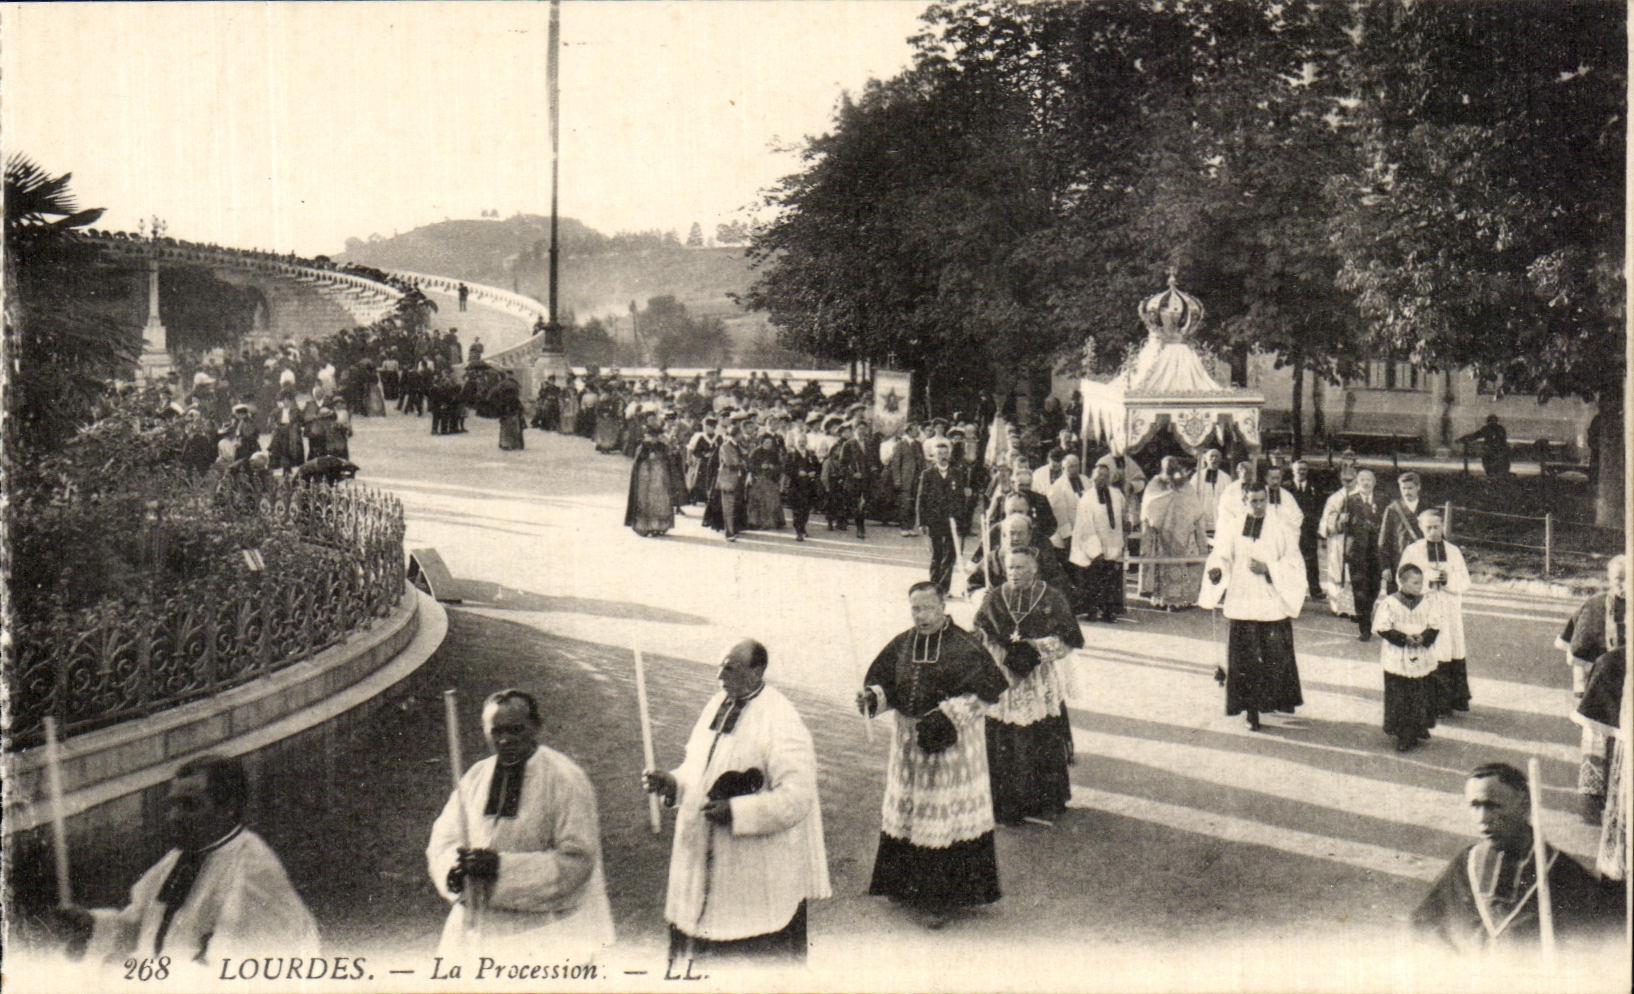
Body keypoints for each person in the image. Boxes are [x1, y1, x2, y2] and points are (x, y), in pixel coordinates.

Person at [642, 640, 831, 966]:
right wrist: (673, 783)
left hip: (752, 874)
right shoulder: (717, 703)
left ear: (757, 671)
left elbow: (798, 797)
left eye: (729, 668)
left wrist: (738, 812)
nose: (719, 676)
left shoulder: (781, 718)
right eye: (720, 666)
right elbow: (698, 768)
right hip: (698, 863)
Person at [46, 755, 318, 978]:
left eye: (189, 806)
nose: (174, 817)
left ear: (229, 808)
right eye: (172, 805)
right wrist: (92, 925)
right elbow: (141, 926)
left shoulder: (253, 872)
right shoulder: (178, 858)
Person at [857, 582, 1009, 927]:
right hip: (909, 746)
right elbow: (888, 686)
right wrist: (873, 698)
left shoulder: (965, 645)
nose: (920, 616)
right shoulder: (903, 643)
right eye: (915, 609)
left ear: (943, 605)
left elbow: (987, 693)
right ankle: (903, 886)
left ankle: (940, 899)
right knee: (911, 812)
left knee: (940, 818)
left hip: (949, 748)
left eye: (927, 608)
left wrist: (948, 715)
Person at [427, 689, 615, 961]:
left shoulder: (565, 779)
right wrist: (453, 870)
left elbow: (577, 862)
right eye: (496, 732)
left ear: (535, 727)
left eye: (516, 731)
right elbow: (444, 839)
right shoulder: (476, 776)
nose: (505, 740)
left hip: (546, 931)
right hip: (476, 925)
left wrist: (499, 868)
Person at [1412, 762, 1622, 954]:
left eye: (1493, 806)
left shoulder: (1563, 874)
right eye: (1475, 806)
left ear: (1524, 806)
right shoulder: (1466, 865)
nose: (1482, 818)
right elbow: (1424, 926)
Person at [973, 548, 1083, 826]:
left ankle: (1041, 799)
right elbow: (982, 630)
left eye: (1021, 568)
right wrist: (992, 643)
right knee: (1004, 736)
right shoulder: (996, 597)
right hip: (1005, 676)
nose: (1014, 573)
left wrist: (1035, 649)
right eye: (1010, 568)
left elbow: (1069, 638)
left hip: (1036, 676)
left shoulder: (1052, 597)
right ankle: (1006, 802)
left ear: (1034, 569)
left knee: (1038, 734)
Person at [1200, 483, 1306, 731]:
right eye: (1252, 501)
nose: (1257, 506)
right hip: (1243, 599)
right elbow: (1222, 555)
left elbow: (1293, 562)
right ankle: (1250, 711)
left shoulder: (1281, 528)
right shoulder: (1234, 527)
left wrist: (1269, 568)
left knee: (1273, 657)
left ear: (1267, 500)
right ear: (1244, 501)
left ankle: (1273, 702)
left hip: (1270, 601)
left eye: (1261, 501)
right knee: (1245, 659)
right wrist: (1216, 570)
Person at [1557, 556, 1627, 822]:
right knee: (1598, 745)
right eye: (1617, 579)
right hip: (1602, 691)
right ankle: (1593, 805)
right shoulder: (1597, 606)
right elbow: (1580, 656)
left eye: (1628, 579)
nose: (1622, 585)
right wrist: (1580, 694)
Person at [1399, 509, 1472, 717]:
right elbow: (1402, 578)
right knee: (1431, 650)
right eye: (1428, 528)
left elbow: (1465, 581)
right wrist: (1427, 580)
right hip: (1426, 607)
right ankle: (1428, 703)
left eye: (1436, 527)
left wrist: (1448, 580)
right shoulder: (1413, 551)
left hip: (1449, 608)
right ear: (1421, 528)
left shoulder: (1453, 551)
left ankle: (1449, 702)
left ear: (1443, 526)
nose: (1433, 532)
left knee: (1450, 650)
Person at [1372, 563, 1445, 752]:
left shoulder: (1427, 602)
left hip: (1420, 653)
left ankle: (1419, 727)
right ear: (1402, 582)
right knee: (1400, 695)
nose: (1419, 586)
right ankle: (1403, 734)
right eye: (1414, 583)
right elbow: (1383, 627)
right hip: (1399, 655)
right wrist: (1404, 638)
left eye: (1421, 582)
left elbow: (1435, 624)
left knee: (1420, 692)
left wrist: (1424, 637)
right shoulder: (1390, 602)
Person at [1138, 457, 1208, 610]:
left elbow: (1194, 505)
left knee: (1183, 567)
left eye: (1174, 465)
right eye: (1168, 466)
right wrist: (1169, 499)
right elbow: (1150, 502)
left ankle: (1182, 600)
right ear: (1163, 468)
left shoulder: (1185, 484)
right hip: (1161, 534)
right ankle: (1162, 599)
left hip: (1182, 532)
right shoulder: (1156, 482)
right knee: (1163, 567)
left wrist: (1181, 506)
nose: (1172, 468)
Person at [1068, 463, 1126, 621]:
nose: (1102, 478)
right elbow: (1085, 526)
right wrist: (1095, 550)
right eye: (1099, 475)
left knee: (1111, 579)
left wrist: (1120, 542)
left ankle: (1108, 612)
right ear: (1092, 477)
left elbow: (1122, 517)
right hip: (1093, 547)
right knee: (1094, 580)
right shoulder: (1086, 499)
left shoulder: (1116, 494)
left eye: (1105, 476)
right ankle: (1092, 611)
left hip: (1113, 544)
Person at [1339, 469, 1389, 639]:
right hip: (1357, 553)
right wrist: (1342, 522)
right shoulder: (1349, 500)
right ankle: (1364, 627)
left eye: (1369, 480)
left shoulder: (1382, 500)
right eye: (1362, 480)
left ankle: (1368, 612)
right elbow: (1343, 528)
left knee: (1374, 587)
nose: (1366, 483)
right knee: (1360, 589)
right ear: (1357, 482)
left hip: (1375, 552)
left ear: (1374, 482)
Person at [916, 438, 966, 595]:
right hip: (934, 519)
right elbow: (921, 498)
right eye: (939, 454)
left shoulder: (957, 473)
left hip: (952, 520)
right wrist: (922, 522)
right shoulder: (927, 474)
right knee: (936, 555)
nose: (943, 456)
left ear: (949, 454)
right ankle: (933, 587)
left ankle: (944, 588)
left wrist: (962, 521)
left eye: (945, 453)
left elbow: (962, 499)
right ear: (934, 456)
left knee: (950, 555)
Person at [1318, 460, 1361, 617]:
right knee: (1337, 571)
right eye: (1344, 480)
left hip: (1355, 541)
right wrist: (1337, 521)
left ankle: (1352, 608)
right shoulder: (1334, 498)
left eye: (1351, 480)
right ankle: (1338, 607)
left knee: (1353, 573)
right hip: (1338, 540)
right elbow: (1325, 521)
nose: (1348, 483)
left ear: (1356, 477)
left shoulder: (1361, 495)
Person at [626, 419, 677, 537]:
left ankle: (660, 526)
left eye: (656, 436)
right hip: (645, 479)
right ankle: (645, 526)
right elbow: (637, 463)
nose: (654, 438)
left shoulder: (663, 446)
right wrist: (647, 459)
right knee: (645, 502)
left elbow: (670, 460)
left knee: (660, 501)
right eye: (651, 436)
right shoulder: (643, 446)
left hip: (660, 479)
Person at [1378, 472, 1427, 595]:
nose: (1406, 492)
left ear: (1418, 487)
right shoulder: (1393, 509)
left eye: (1410, 488)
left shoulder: (1427, 508)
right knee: (1397, 599)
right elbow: (1384, 540)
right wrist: (1385, 566)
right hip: (1398, 561)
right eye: (1403, 488)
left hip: (1422, 562)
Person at [1287, 460, 1325, 599]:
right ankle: (1291, 589)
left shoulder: (1314, 488)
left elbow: (1319, 507)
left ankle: (1315, 589)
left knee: (1311, 559)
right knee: (1291, 559)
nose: (1301, 472)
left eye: (1304, 469)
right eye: (1298, 470)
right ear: (1293, 471)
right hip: (1291, 530)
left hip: (1309, 529)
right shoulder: (1287, 488)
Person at [784, 430, 822, 542]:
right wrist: (797, 473)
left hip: (809, 486)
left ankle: (803, 527)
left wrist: (814, 473)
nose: (802, 443)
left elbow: (818, 467)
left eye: (804, 441)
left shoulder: (811, 454)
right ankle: (798, 531)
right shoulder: (791, 455)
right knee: (797, 509)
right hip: (796, 486)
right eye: (799, 441)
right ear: (796, 442)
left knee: (806, 509)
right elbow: (787, 469)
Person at [889, 425, 926, 537]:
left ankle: (911, 526)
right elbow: (895, 464)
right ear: (909, 431)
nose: (917, 432)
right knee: (905, 503)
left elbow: (922, 460)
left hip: (917, 478)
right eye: (915, 430)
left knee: (914, 503)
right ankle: (904, 527)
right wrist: (897, 479)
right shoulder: (900, 444)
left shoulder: (918, 444)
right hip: (906, 479)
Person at [745, 433, 786, 531]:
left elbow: (780, 467)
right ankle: (755, 522)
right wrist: (760, 467)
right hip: (758, 479)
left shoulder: (773, 453)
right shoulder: (755, 452)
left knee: (772, 499)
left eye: (770, 443)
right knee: (758, 499)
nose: (769, 444)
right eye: (766, 442)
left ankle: (770, 522)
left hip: (771, 479)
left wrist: (772, 467)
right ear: (762, 442)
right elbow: (750, 466)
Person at [1456, 414, 1511, 479]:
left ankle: (1496, 475)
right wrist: (1463, 438)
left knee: (1495, 466)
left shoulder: (1499, 429)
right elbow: (1476, 435)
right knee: (1489, 465)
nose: (1492, 423)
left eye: (1493, 421)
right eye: (1491, 421)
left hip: (1498, 453)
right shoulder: (1487, 429)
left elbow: (1500, 441)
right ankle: (1493, 475)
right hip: (1492, 452)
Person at [1191, 448, 1229, 534]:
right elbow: (1191, 496)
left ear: (1220, 460)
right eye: (1211, 456)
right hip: (1202, 516)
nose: (1214, 459)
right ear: (1206, 459)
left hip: (1219, 517)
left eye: (1216, 456)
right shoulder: (1197, 477)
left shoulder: (1226, 478)